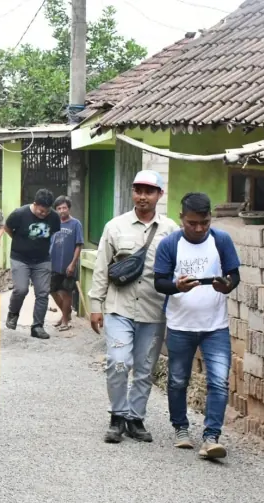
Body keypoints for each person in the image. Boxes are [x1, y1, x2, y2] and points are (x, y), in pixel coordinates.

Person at [88, 170, 179, 444]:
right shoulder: (115, 226)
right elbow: (102, 267)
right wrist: (96, 304)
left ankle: (135, 419)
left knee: (144, 368)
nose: (142, 196)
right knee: (117, 362)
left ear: (159, 195)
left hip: (153, 310)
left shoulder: (171, 230)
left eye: (149, 191)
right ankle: (117, 416)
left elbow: (177, 268)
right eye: (138, 190)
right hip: (119, 307)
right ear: (132, 192)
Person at [153, 192, 240, 460]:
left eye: (204, 222)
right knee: (178, 380)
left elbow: (234, 275)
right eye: (193, 223)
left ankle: (211, 437)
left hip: (216, 326)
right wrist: (176, 286)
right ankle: (180, 428)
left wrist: (227, 285)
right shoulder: (169, 244)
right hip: (180, 325)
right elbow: (159, 282)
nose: (199, 228)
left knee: (219, 381)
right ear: (182, 219)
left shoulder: (221, 240)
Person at [4, 189, 62, 340]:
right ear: (35, 204)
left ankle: (37, 326)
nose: (44, 214)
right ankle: (13, 314)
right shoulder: (19, 214)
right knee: (21, 289)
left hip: (42, 259)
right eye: (41, 211)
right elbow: (8, 228)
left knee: (43, 292)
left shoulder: (54, 218)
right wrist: (20, 242)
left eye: (47, 211)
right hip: (20, 258)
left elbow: (53, 234)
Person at [49, 196, 84, 331]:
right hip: (53, 264)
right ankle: (66, 314)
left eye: (64, 208)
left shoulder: (75, 224)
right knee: (51, 290)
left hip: (68, 265)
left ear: (69, 208)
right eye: (59, 208)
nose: (62, 211)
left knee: (66, 293)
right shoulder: (53, 223)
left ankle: (65, 321)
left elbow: (79, 245)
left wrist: (73, 264)